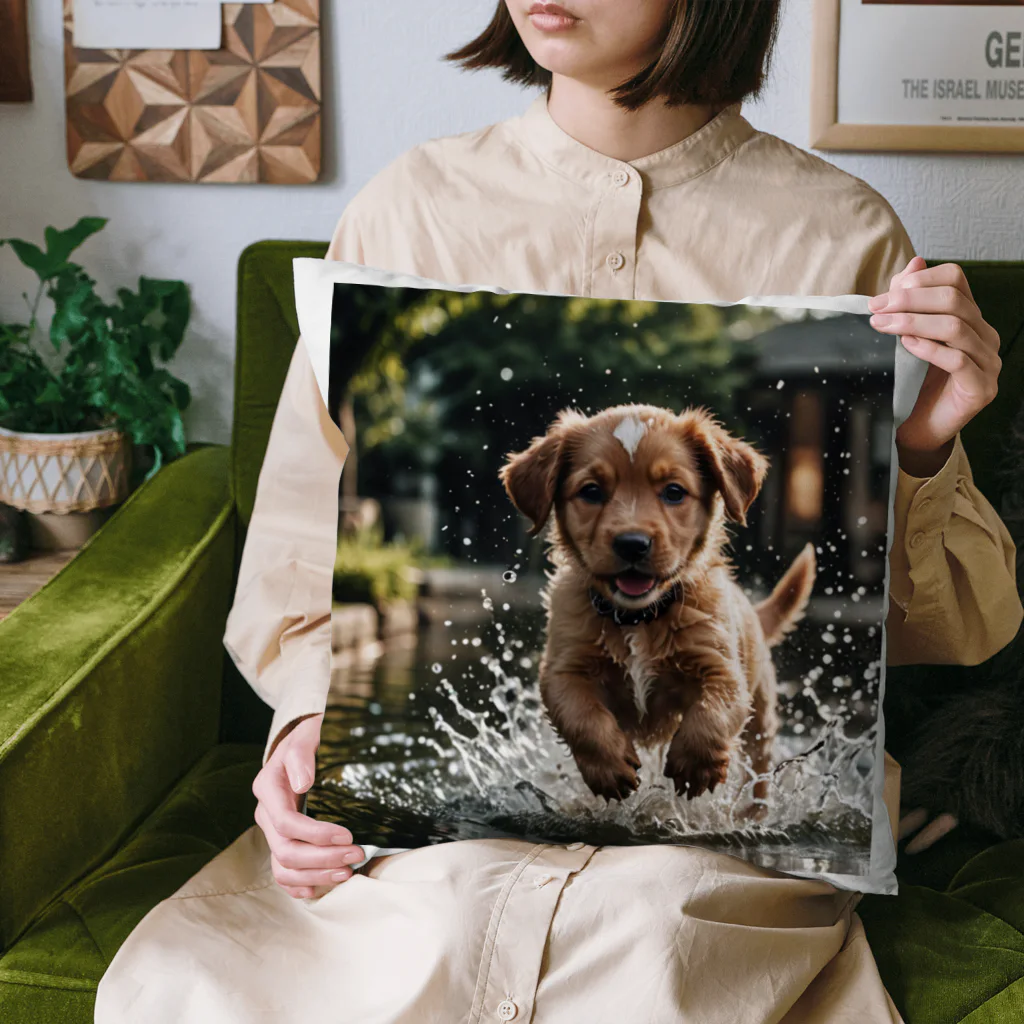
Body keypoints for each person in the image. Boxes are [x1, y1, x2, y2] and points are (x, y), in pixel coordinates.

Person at [95, 2, 1022, 1021]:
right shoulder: (410, 209)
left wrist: (926, 439)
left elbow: (954, 629)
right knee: (324, 955)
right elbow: (294, 555)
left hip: (715, 859)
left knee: (655, 932)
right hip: (430, 838)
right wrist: (303, 735)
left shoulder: (844, 236)